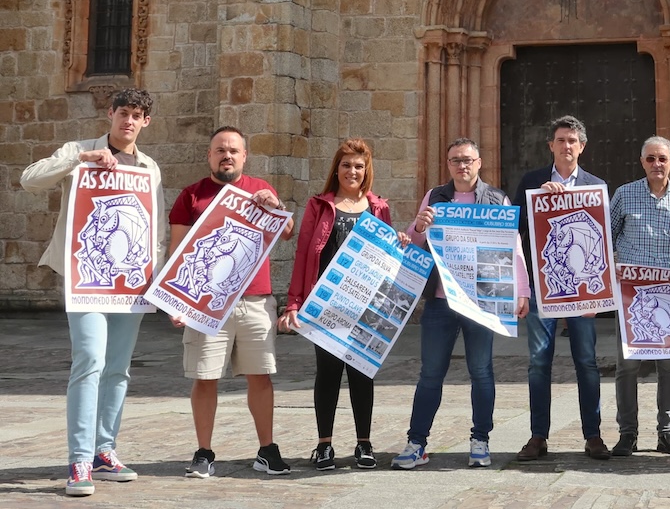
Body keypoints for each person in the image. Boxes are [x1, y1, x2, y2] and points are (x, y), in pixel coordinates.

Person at [20, 88, 166, 496]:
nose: (129, 121)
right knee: (89, 360)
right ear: (110, 114)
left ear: (145, 122)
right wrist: (80, 159)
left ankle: (104, 452)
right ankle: (79, 460)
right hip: (86, 280)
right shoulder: (79, 150)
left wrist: (153, 277)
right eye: (123, 113)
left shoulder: (150, 167)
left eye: (137, 115)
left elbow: (152, 227)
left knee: (118, 368)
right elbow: (29, 179)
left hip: (132, 284)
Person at [391, 138, 531, 470]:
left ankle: (480, 441)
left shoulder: (497, 199)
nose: (461, 165)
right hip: (442, 300)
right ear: (448, 164)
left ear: (479, 163)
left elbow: (513, 247)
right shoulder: (435, 197)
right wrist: (418, 226)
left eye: (467, 160)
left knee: (481, 372)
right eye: (455, 160)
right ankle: (416, 444)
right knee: (430, 374)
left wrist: (522, 290)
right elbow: (414, 239)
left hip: (482, 301)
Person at [169, 126, 295, 478]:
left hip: (255, 300)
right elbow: (177, 251)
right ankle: (204, 452)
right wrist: (177, 301)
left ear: (244, 156)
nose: (227, 155)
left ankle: (267, 451)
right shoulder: (191, 196)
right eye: (220, 150)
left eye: (233, 151)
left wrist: (275, 207)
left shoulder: (261, 190)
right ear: (209, 156)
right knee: (205, 377)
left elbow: (286, 231)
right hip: (205, 302)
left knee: (261, 376)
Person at [280, 139, 407, 470]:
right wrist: (294, 303)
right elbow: (305, 254)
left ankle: (364, 443)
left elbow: (387, 257)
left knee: (362, 371)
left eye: (359, 166)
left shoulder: (378, 207)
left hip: (366, 304)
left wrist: (400, 243)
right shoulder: (319, 206)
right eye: (347, 165)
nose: (353, 171)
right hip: (327, 304)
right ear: (336, 169)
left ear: (367, 172)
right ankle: (324, 445)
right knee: (328, 373)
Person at [511, 116, 611, 461]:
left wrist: (601, 292)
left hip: (583, 288)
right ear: (551, 145)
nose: (566, 146)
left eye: (572, 140)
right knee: (539, 362)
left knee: (586, 361)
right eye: (560, 140)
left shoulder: (596, 185)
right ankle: (538, 436)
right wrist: (540, 198)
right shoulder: (532, 182)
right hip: (543, 288)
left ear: (581, 146)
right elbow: (517, 233)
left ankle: (593, 436)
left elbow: (603, 240)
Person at [609, 136, 670, 457]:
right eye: (651, 159)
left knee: (669, 368)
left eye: (662, 159)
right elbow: (605, 239)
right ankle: (628, 434)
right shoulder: (624, 195)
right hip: (633, 298)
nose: (656, 165)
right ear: (642, 162)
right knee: (627, 368)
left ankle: (667, 432)